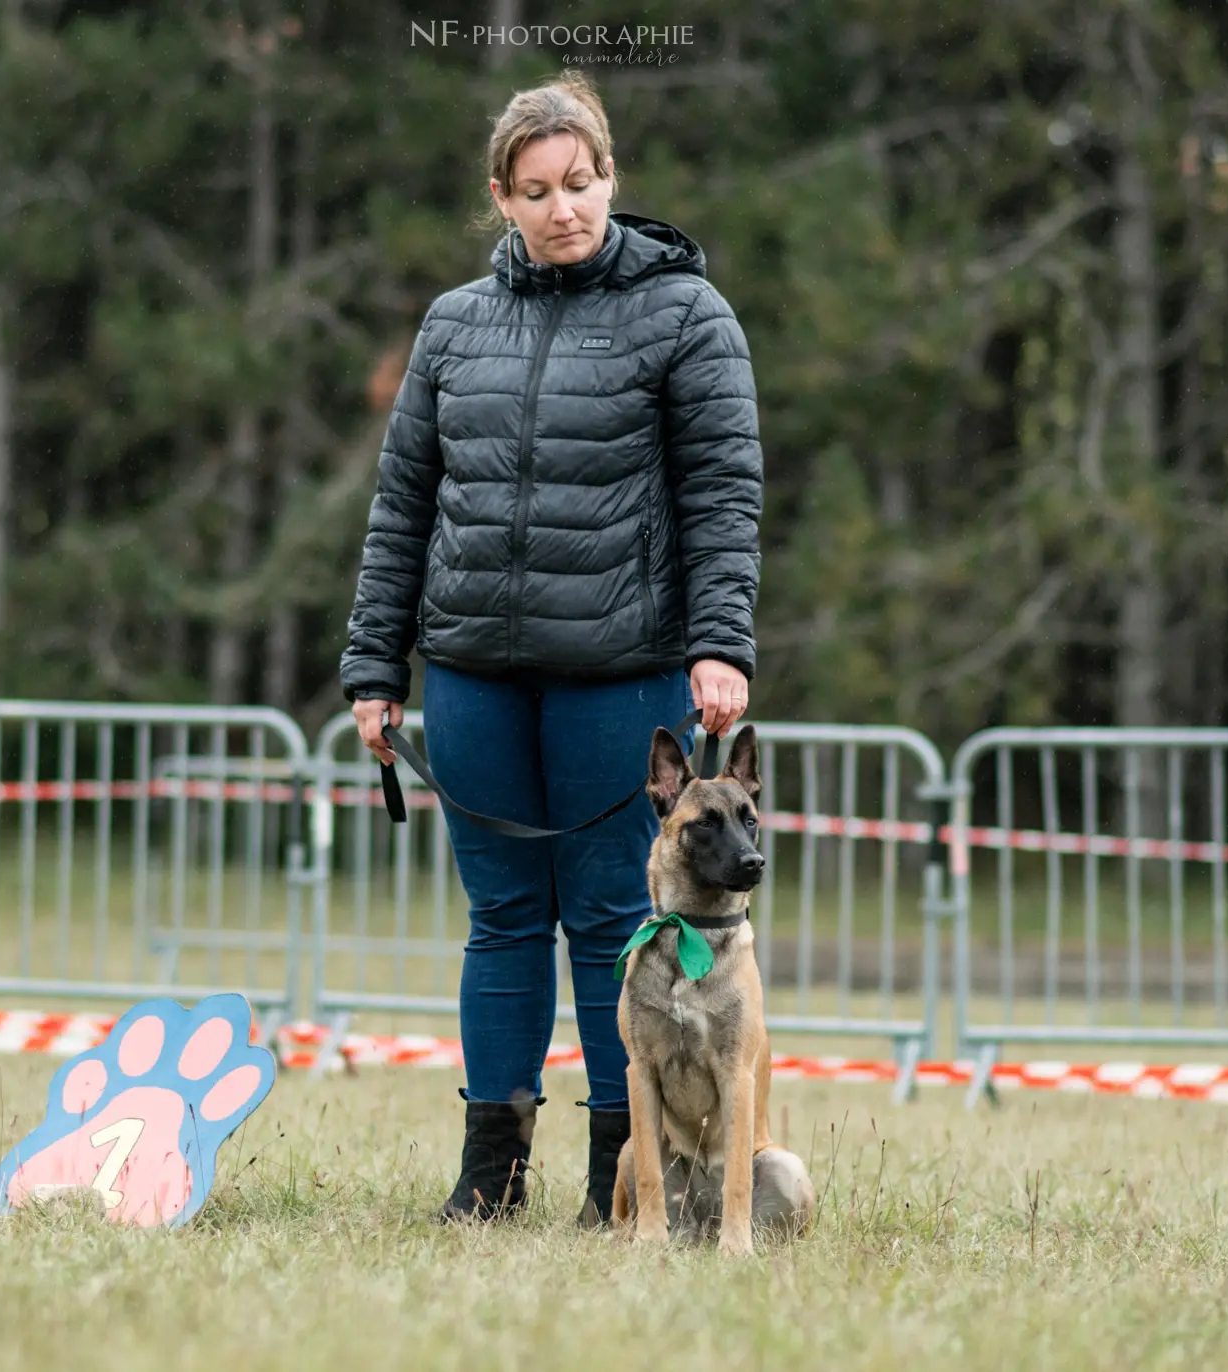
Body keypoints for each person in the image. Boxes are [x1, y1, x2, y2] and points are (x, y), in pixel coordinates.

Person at [338, 68, 763, 1229]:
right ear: (501, 197)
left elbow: (723, 493)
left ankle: (614, 1184)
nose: (562, 206)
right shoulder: (451, 325)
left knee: (607, 922)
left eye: (581, 181)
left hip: (618, 672)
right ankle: (491, 1176)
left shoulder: (685, 315)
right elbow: (402, 504)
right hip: (473, 673)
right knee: (499, 919)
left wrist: (720, 641)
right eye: (536, 189)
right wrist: (374, 667)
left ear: (611, 177)